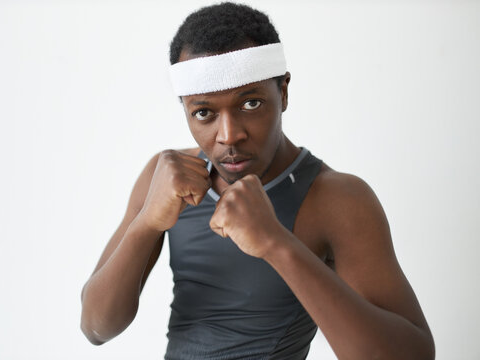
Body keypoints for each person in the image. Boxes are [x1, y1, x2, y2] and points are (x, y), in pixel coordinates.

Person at [80, 3, 435, 359]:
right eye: (204, 113)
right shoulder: (166, 178)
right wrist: (146, 223)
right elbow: (96, 327)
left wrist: (276, 244)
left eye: (250, 104)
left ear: (282, 92)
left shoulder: (336, 198)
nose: (229, 136)